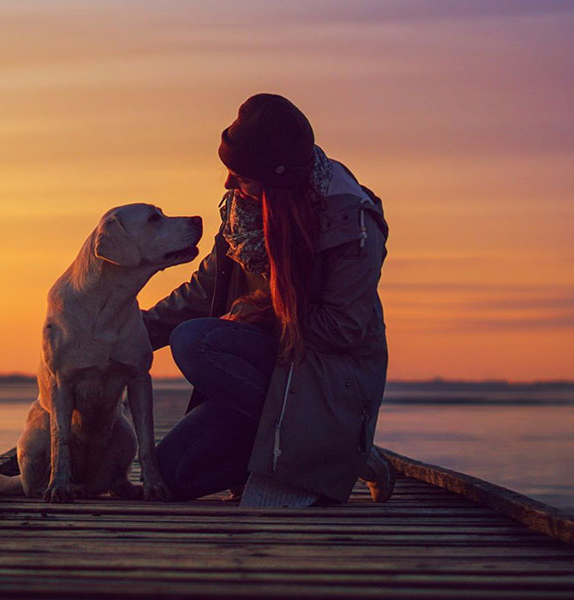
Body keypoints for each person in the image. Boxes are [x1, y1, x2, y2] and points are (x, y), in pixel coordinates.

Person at [142, 93, 393, 507]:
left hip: (321, 379)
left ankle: (336, 447)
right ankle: (305, 453)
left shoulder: (350, 224)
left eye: (239, 174)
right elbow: (201, 293)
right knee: (172, 475)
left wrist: (258, 313)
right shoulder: (243, 220)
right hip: (271, 382)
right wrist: (126, 335)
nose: (227, 183)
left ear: (275, 180)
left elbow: (343, 329)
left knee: (197, 342)